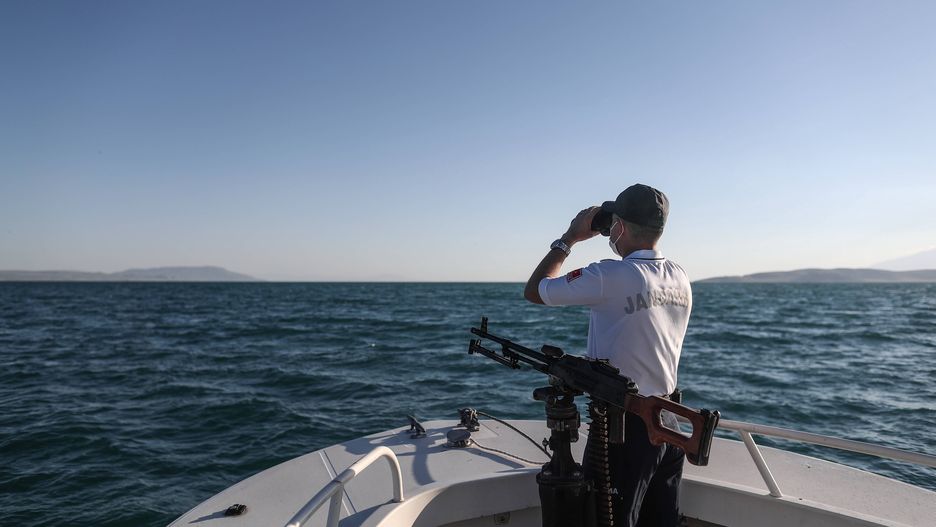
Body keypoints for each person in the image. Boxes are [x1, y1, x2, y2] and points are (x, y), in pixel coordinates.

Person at [523, 183, 692, 527]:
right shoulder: (679, 276)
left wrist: (568, 238)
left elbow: (536, 290)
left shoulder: (609, 274)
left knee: (606, 520)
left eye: (611, 223)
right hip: (669, 423)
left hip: (626, 429)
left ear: (620, 228)